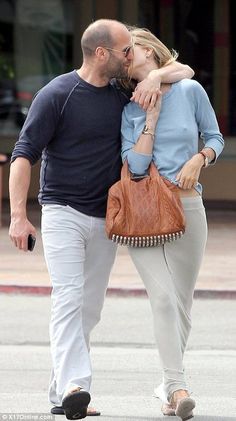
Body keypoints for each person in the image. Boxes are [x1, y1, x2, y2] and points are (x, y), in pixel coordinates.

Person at [8, 19, 194, 420]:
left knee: (89, 308)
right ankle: (78, 386)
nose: (131, 56)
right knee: (69, 296)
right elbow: (23, 155)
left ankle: (61, 393)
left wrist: (157, 74)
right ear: (101, 53)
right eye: (126, 50)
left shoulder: (120, 93)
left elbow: (185, 70)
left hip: (105, 219)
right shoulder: (56, 94)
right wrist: (19, 217)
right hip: (61, 211)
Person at [121, 27, 224, 420]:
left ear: (147, 49)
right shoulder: (128, 106)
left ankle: (166, 386)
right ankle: (178, 386)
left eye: (127, 50)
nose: (122, 57)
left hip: (188, 207)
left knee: (181, 303)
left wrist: (199, 159)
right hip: (144, 211)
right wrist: (149, 119)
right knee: (164, 299)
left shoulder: (189, 91)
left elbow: (215, 138)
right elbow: (135, 166)